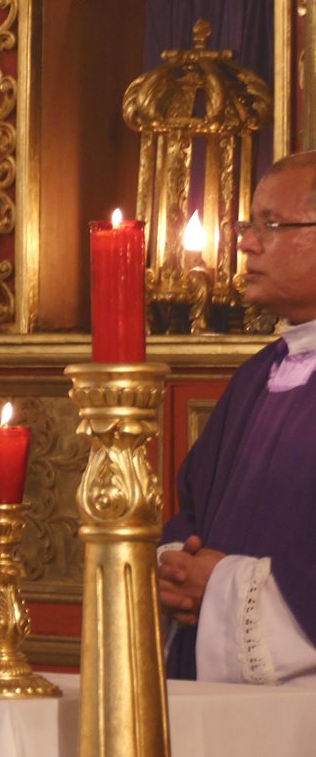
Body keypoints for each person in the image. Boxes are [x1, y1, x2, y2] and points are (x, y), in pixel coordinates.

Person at [159, 151, 316, 684]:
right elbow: (195, 509)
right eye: (249, 225)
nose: (246, 242)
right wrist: (180, 565)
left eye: (271, 225)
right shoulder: (258, 375)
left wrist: (223, 587)